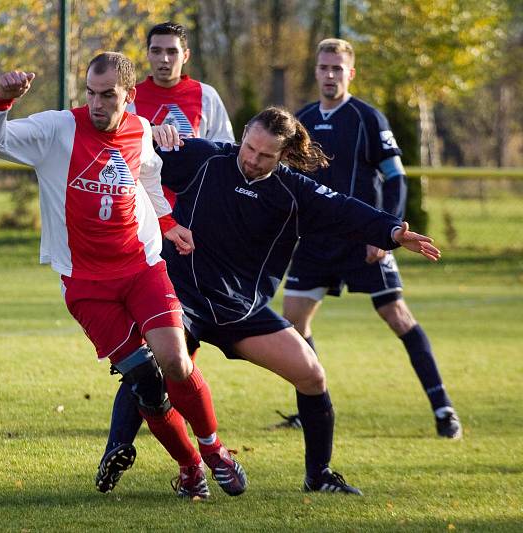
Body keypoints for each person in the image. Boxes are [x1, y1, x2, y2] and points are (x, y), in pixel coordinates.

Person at [0, 52, 247, 499]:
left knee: (177, 362)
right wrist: (1, 102)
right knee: (145, 382)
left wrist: (168, 223)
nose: (98, 104)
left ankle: (214, 449)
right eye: (91, 93)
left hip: (141, 267)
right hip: (85, 283)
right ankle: (190, 469)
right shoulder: (57, 129)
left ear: (130, 96)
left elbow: (149, 178)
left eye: (108, 96)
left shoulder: (140, 130)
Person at [149, 106, 441, 494]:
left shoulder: (295, 191)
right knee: (152, 375)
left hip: (240, 310)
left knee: (311, 374)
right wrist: (148, 129)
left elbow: (344, 210)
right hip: (181, 298)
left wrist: (390, 231)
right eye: (249, 148)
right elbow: (126, 152)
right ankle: (143, 457)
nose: (253, 159)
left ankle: (318, 475)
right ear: (244, 136)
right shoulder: (205, 157)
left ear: (284, 155)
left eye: (265, 155)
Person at [277, 38, 461, 439]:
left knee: (397, 316)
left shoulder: (368, 118)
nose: (329, 75)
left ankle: (444, 410)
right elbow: (286, 180)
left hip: (364, 240)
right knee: (293, 322)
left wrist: (387, 231)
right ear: (316, 71)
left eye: (337, 69)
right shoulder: (302, 119)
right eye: (324, 68)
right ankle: (313, 404)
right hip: (315, 242)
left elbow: (396, 177)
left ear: (351, 73)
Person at [96, 21, 236, 495]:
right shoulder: (127, 102)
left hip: (190, 239)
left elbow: (227, 156)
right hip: (143, 238)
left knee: (169, 353)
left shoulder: (206, 98)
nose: (162, 58)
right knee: (147, 352)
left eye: (171, 51)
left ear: (186, 54)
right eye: (155, 51)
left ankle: (189, 459)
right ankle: (127, 445)